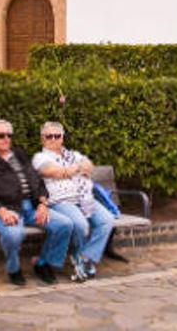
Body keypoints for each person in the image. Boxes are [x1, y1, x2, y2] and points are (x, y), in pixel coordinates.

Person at [0, 118, 73, 286]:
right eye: (1, 135)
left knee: (65, 224)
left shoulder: (19, 155)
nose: (6, 139)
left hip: (31, 207)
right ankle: (14, 268)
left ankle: (43, 263)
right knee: (13, 234)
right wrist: (1, 210)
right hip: (6, 209)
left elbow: (36, 181)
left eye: (9, 135)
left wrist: (42, 204)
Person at [32, 121, 114, 282]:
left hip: (83, 198)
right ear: (42, 139)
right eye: (49, 136)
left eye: (57, 136)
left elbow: (89, 166)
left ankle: (84, 258)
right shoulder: (40, 157)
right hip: (61, 202)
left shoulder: (72, 154)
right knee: (80, 225)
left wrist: (72, 169)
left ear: (62, 138)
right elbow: (52, 171)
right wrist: (75, 169)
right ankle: (76, 257)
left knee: (107, 220)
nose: (54, 139)